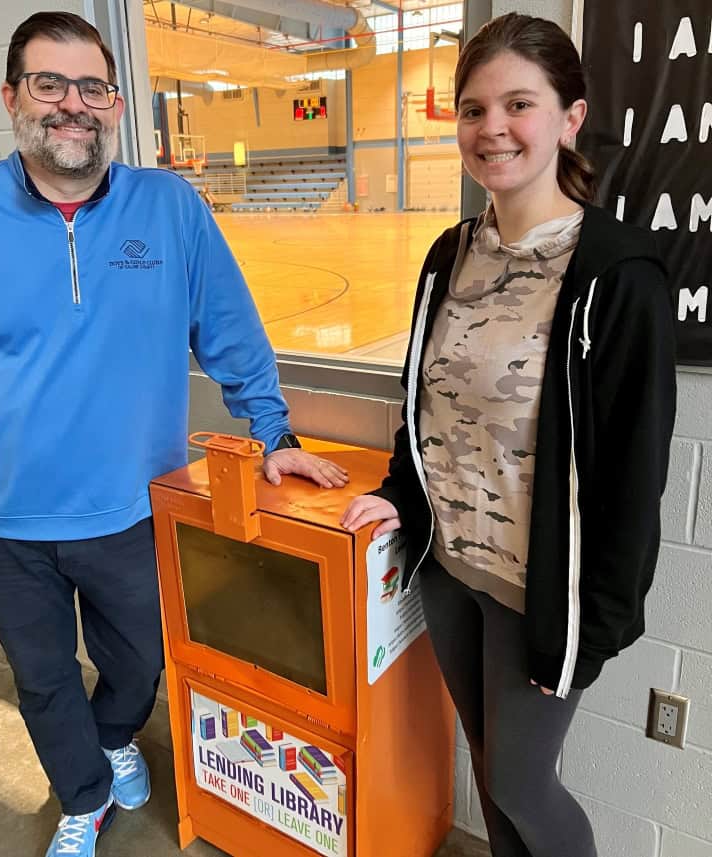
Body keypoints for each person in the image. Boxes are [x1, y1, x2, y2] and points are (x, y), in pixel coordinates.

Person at [0, 11, 348, 857]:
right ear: (12, 96)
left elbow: (230, 329)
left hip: (134, 508)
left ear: (114, 103)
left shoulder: (170, 207)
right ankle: (83, 795)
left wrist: (274, 431)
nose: (73, 104)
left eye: (93, 88)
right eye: (50, 84)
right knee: (42, 676)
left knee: (140, 659)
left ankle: (113, 738)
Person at [342, 13, 675, 857]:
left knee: (523, 783)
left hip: (544, 597)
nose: (492, 127)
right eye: (473, 109)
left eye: (518, 104)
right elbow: (425, 402)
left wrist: (592, 629)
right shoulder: (447, 255)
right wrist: (397, 494)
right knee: (492, 773)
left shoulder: (618, 273)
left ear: (569, 118)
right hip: (450, 571)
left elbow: (635, 476)